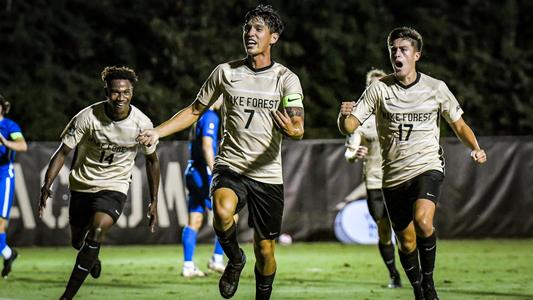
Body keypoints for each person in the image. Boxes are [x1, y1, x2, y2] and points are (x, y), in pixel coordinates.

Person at [137, 5, 304, 299]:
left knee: (265, 249)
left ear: (273, 37)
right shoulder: (225, 72)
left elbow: (297, 121)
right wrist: (157, 131)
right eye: (247, 29)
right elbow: (194, 110)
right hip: (231, 165)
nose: (250, 34)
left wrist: (294, 130)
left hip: (267, 174)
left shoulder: (286, 78)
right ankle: (235, 259)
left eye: (258, 29)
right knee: (222, 212)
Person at [338, 27, 487, 300]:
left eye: (403, 49)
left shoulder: (436, 88)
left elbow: (459, 124)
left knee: (423, 220)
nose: (397, 53)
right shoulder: (379, 89)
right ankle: (417, 289)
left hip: (427, 166)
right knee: (406, 242)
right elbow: (350, 125)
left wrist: (475, 147)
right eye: (393, 49)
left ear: (416, 55)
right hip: (393, 175)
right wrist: (342, 116)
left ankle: (428, 283)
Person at [38, 66, 160, 300]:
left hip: (115, 186)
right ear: (106, 91)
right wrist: (47, 184)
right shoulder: (87, 117)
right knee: (78, 241)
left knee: (97, 231)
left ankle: (67, 296)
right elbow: (62, 152)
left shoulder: (142, 123)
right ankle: (91, 258)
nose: (120, 98)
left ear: (132, 92)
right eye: (115, 92)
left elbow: (153, 161)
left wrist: (154, 201)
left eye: (125, 92)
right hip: (82, 185)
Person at [343, 69, 402, 289]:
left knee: (406, 231)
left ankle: (417, 274)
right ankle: (393, 273)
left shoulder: (400, 112)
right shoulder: (362, 120)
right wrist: (354, 154)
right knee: (384, 231)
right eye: (373, 86)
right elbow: (349, 152)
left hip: (399, 180)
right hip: (375, 182)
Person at [181, 98, 226, 277]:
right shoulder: (210, 116)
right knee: (230, 215)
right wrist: (216, 171)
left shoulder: (199, 116)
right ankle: (217, 259)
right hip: (203, 173)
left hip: (192, 171)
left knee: (195, 220)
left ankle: (188, 265)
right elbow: (208, 146)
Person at [0, 94, 28, 278]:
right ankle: (9, 254)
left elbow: (22, 145)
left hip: (3, 177)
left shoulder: (9, 126)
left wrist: (4, 141)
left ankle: (8, 254)